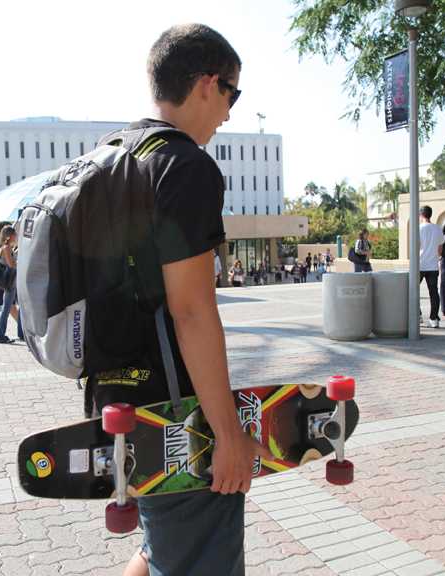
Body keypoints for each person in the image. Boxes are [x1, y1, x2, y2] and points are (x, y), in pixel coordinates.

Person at [89, 26, 271, 576]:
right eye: (232, 95)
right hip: (175, 416)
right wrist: (227, 435)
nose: (230, 114)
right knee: (193, 557)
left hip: (114, 401)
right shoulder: (185, 166)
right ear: (207, 84)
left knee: (158, 549)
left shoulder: (114, 154)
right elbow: (191, 311)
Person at [0, 226, 23, 344]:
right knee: (6, 309)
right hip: (10, 282)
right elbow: (11, 265)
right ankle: (0, 335)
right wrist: (20, 262)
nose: (16, 236)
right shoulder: (6, 248)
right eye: (14, 235)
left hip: (13, 281)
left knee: (20, 307)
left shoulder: (7, 248)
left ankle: (21, 333)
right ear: (9, 236)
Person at [418, 206, 442, 328]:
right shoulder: (438, 228)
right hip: (433, 265)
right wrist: (438, 257)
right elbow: (440, 247)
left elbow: (416, 246)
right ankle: (434, 319)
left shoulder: (418, 228)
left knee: (413, 291)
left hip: (420, 264)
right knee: (433, 292)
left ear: (421, 215)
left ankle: (419, 315)